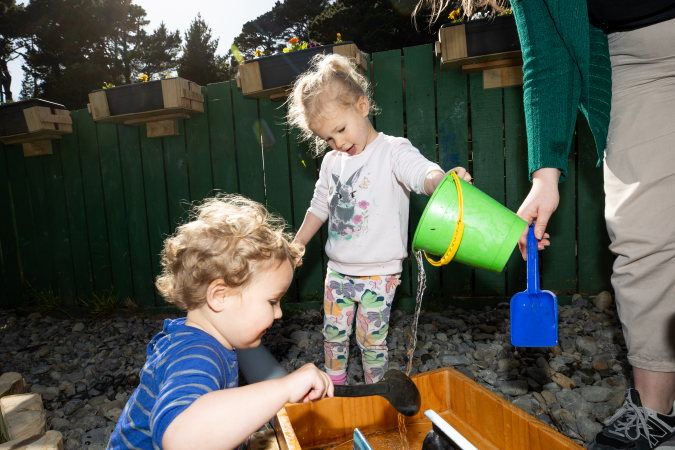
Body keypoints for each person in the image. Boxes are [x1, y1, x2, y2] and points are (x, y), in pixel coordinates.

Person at [415, 0, 675, 448]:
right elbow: (547, 54)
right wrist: (544, 177)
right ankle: (656, 413)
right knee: (641, 234)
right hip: (633, 60)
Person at [286, 53, 472, 386]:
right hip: (338, 272)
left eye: (341, 130)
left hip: (379, 275)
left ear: (362, 106)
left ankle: (376, 395)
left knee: (371, 342)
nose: (338, 143)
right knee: (333, 339)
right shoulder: (332, 162)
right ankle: (336, 395)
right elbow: (318, 206)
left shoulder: (391, 150)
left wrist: (440, 181)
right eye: (328, 137)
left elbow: (419, 173)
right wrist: (298, 242)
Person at [107, 195, 333, 450]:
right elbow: (181, 441)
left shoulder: (201, 336)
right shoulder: (196, 354)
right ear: (219, 296)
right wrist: (285, 388)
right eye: (272, 301)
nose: (279, 313)